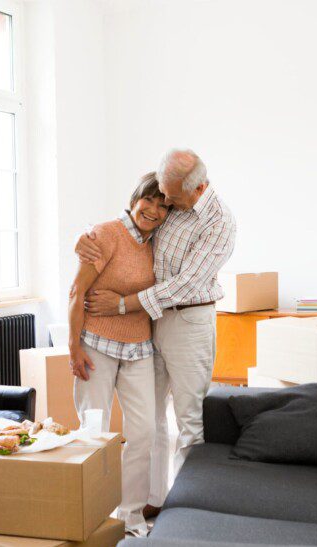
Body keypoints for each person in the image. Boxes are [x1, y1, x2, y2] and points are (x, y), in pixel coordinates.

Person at [76, 149, 236, 519]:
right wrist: (83, 239)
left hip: (188, 322)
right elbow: (130, 224)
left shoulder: (219, 221)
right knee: (150, 419)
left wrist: (121, 304)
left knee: (188, 419)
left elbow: (184, 285)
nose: (164, 203)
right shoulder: (170, 204)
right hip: (152, 322)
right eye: (161, 194)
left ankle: (186, 511)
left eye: (170, 197)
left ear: (195, 189)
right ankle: (154, 499)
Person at [69, 172, 170, 536]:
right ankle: (91, 514)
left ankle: (129, 516)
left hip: (139, 347)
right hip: (96, 344)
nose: (154, 211)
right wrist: (73, 347)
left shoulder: (157, 242)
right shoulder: (106, 234)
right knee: (94, 430)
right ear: (135, 198)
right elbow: (75, 292)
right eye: (149, 201)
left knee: (142, 431)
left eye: (163, 206)